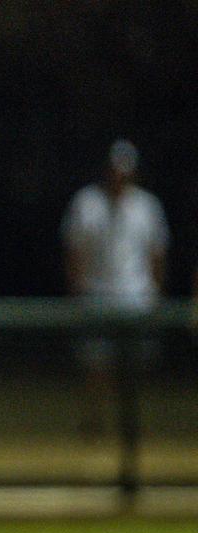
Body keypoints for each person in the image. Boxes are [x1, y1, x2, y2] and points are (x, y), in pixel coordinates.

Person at [61, 139, 170, 436]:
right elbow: (74, 251)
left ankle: (130, 427)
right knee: (96, 368)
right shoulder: (87, 202)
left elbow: (157, 253)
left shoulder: (147, 206)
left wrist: (156, 294)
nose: (119, 177)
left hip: (137, 297)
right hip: (97, 296)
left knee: (135, 368)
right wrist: (78, 292)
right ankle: (94, 424)